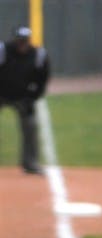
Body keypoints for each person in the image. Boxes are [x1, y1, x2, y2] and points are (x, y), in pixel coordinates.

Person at [0, 26, 49, 174]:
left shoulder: (38, 55)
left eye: (25, 41)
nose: (22, 45)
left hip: (23, 97)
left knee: (30, 126)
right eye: (20, 41)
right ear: (15, 40)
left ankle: (30, 163)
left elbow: (42, 79)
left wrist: (33, 97)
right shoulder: (3, 51)